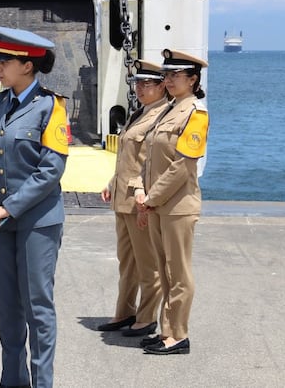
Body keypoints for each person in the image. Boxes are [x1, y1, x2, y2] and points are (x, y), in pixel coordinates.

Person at [0, 26, 68, 388]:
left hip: (37, 223)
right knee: (7, 308)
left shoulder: (50, 107)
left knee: (38, 308)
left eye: (3, 61)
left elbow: (51, 170)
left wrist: (7, 207)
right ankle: (12, 380)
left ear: (27, 66)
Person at [137, 49, 209, 355]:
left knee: (179, 273)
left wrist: (151, 198)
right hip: (157, 204)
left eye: (174, 76)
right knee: (164, 271)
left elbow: (183, 166)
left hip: (178, 206)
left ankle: (179, 334)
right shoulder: (167, 110)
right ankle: (166, 329)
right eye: (166, 76)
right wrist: (143, 192)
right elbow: (149, 157)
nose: (168, 81)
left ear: (192, 80)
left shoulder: (196, 113)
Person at [98, 60, 166, 336]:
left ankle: (147, 316)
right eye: (137, 83)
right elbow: (129, 158)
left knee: (147, 263)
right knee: (127, 262)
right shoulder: (140, 113)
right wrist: (113, 182)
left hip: (139, 200)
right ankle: (125, 312)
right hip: (121, 198)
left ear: (162, 86)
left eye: (146, 84)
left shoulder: (161, 116)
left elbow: (150, 163)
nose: (139, 88)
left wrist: (145, 200)